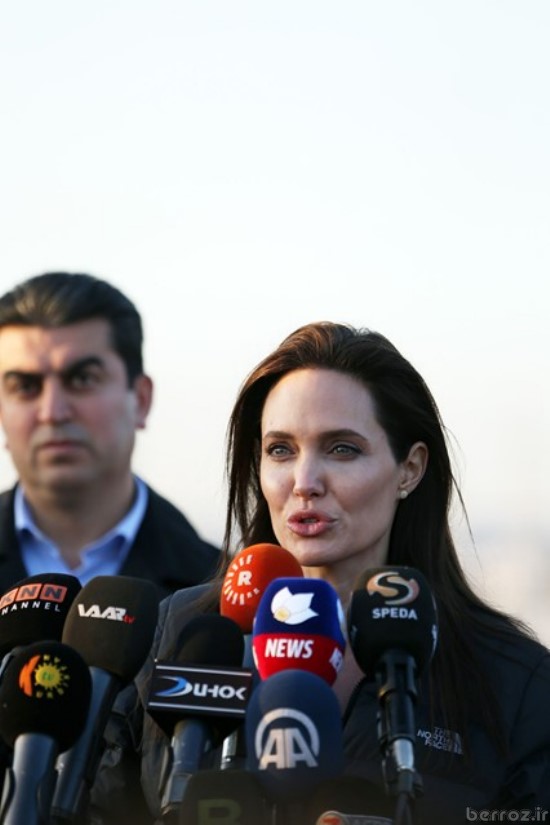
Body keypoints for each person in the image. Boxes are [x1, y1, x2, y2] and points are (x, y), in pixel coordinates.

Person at [91, 321, 550, 824]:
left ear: (410, 469)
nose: (304, 481)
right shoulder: (178, 634)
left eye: (342, 449)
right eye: (280, 450)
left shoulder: (514, 681)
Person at [0, 271, 219, 600]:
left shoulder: (219, 592)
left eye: (82, 379)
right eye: (25, 386)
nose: (52, 412)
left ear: (140, 399)